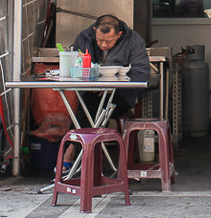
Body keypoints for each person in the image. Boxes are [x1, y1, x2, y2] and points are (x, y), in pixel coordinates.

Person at [62, 14, 150, 169]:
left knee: (90, 108)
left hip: (120, 96)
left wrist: (114, 86)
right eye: (99, 40)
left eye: (109, 41)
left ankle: (72, 152)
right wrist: (80, 62)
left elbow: (142, 73)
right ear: (95, 30)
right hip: (89, 93)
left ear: (119, 34)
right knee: (89, 104)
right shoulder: (84, 37)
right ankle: (85, 157)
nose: (103, 44)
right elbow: (75, 68)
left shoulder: (134, 41)